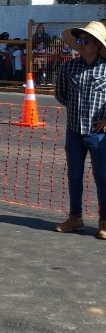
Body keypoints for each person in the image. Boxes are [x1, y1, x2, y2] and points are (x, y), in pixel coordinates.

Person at [53, 21, 106, 240]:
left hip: (98, 134)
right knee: (74, 175)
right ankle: (75, 217)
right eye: (79, 41)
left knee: (102, 177)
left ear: (97, 44)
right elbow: (61, 94)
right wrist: (77, 112)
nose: (81, 45)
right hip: (74, 131)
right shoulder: (69, 67)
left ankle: (104, 220)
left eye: (86, 41)